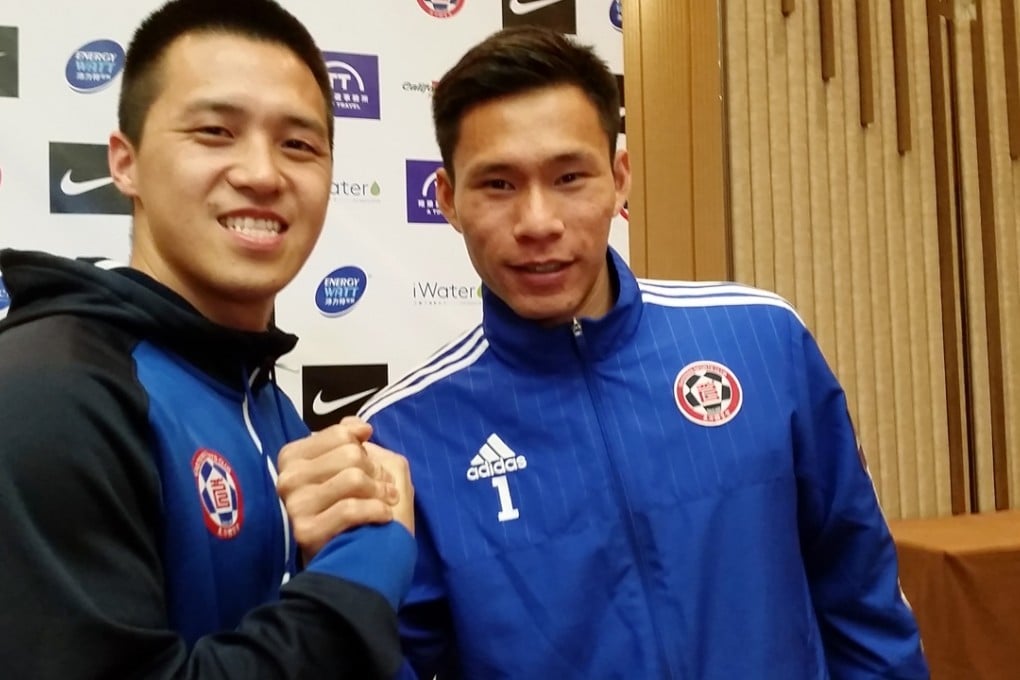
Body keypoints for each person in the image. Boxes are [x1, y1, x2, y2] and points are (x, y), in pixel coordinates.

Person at [360, 26, 929, 679]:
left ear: (619, 179)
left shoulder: (763, 342)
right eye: (498, 185)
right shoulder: (403, 435)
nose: (538, 222)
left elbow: (863, 603)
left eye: (569, 177)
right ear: (448, 200)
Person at [0, 0, 416, 677]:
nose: (262, 174)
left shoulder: (257, 395)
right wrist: (370, 558)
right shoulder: (51, 390)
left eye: (298, 145)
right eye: (216, 132)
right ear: (125, 163)